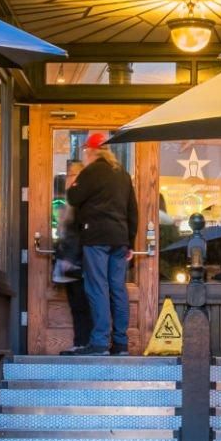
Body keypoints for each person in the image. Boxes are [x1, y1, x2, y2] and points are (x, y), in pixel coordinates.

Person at [65, 133, 139, 356]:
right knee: (117, 289)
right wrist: (130, 243)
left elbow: (73, 197)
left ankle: (99, 343)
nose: (85, 154)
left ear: (91, 151)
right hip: (120, 240)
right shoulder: (123, 175)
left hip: (96, 238)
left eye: (86, 150)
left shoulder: (92, 171)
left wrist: (73, 184)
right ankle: (121, 344)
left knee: (97, 287)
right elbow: (132, 211)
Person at [53, 160, 92, 351]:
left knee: (82, 303)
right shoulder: (71, 200)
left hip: (78, 260)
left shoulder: (80, 200)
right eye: (68, 174)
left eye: (72, 174)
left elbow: (78, 233)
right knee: (77, 305)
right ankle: (80, 342)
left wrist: (70, 258)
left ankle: (84, 343)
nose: (69, 178)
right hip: (74, 258)